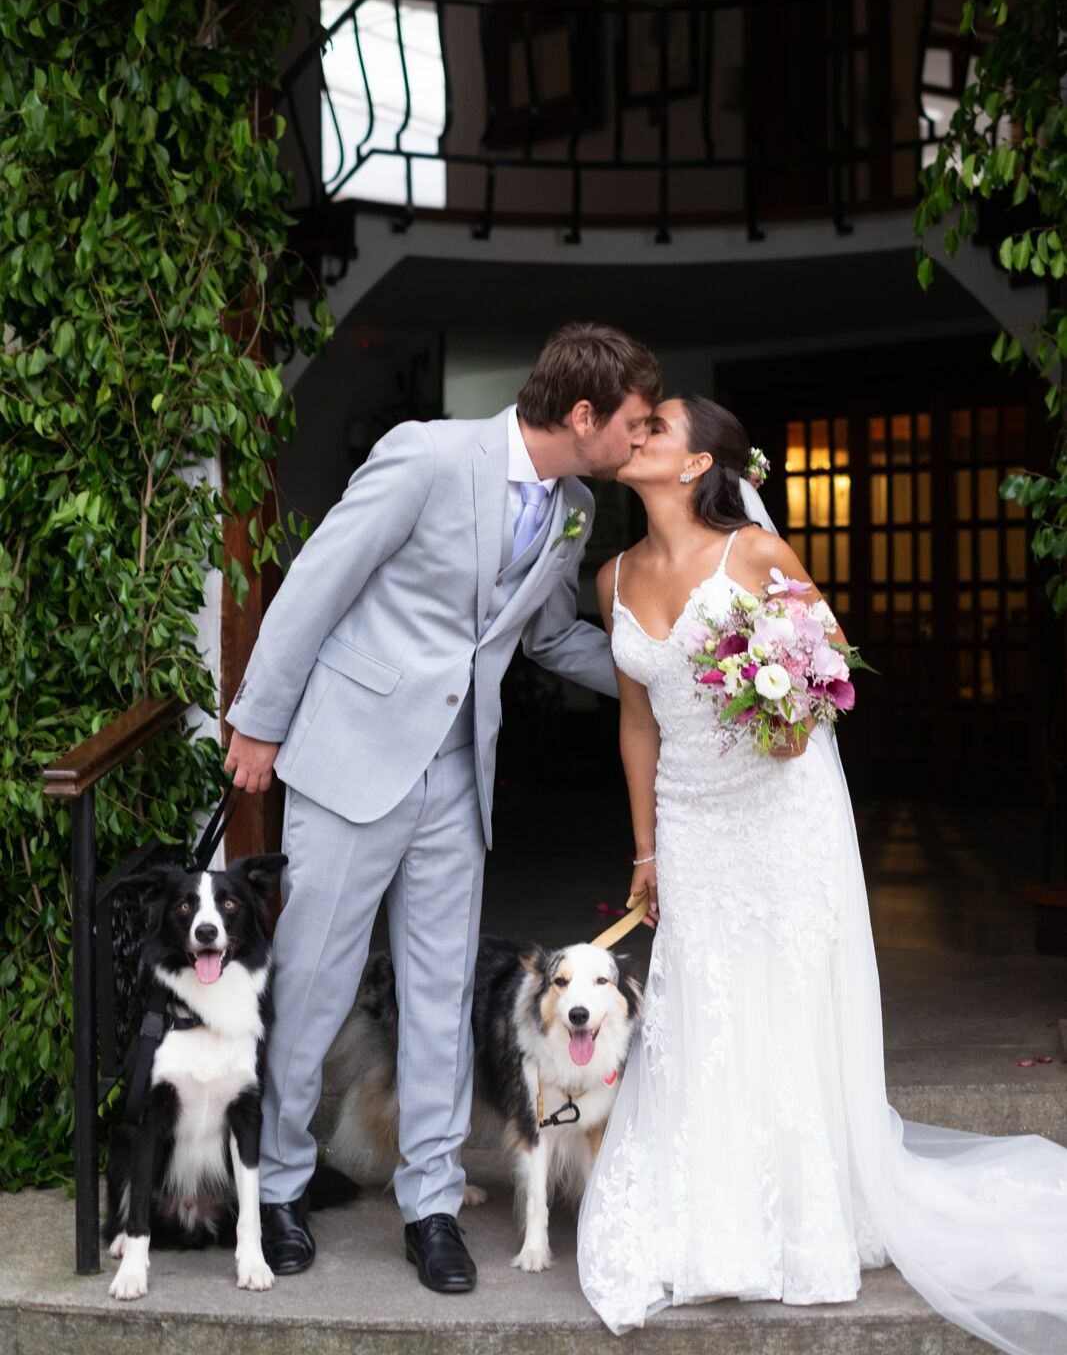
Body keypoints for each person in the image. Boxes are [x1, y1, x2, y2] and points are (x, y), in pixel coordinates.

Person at [577, 394, 1067, 1352]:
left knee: (787, 998)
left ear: (695, 464)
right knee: (704, 1007)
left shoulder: (754, 556)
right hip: (689, 816)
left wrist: (790, 706)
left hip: (778, 811)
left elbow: (827, 663)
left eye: (658, 427)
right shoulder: (613, 576)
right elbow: (634, 719)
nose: (636, 436)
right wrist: (644, 847)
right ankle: (713, 1217)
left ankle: (803, 1220)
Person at [223, 322, 659, 1293]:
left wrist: (663, 678)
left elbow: (547, 636)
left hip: (460, 776)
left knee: (436, 997)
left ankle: (430, 1204)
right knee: (314, 982)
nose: (639, 442)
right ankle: (280, 1184)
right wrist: (257, 721)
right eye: (630, 424)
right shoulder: (424, 455)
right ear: (582, 414)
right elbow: (316, 581)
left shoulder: (575, 507)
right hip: (350, 758)